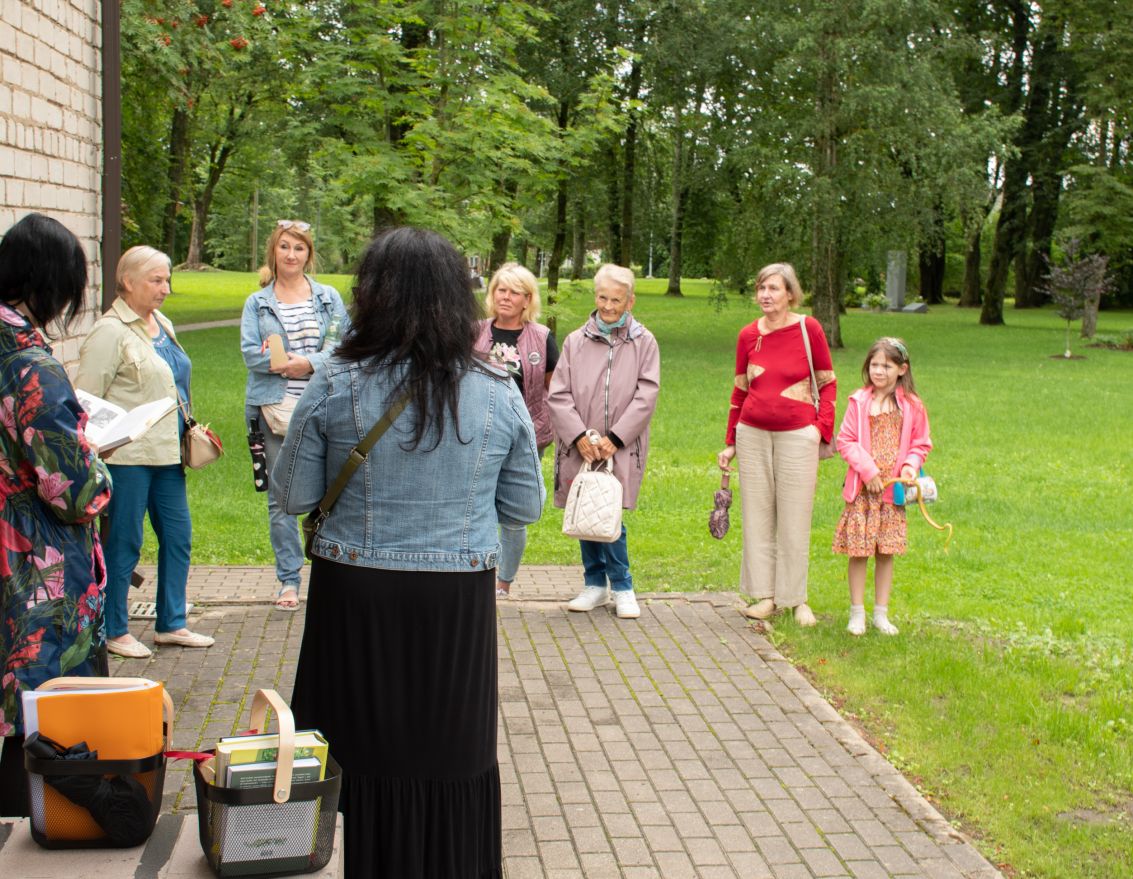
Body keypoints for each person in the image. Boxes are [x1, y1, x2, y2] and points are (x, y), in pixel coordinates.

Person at [274, 227, 544, 879]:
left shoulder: (337, 377)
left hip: (355, 592)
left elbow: (294, 493)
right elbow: (524, 505)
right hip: (454, 599)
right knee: (449, 753)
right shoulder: (496, 385)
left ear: (372, 293)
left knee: (354, 750)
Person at [0, 214, 114, 816]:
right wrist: (99, 464)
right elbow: (73, 490)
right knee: (43, 712)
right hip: (33, 564)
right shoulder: (30, 365)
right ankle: (39, 829)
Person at [75, 246, 214, 658]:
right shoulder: (110, 331)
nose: (165, 288)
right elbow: (85, 400)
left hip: (168, 453)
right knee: (125, 542)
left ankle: (171, 623)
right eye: (156, 280)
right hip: (129, 458)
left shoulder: (162, 323)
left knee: (178, 537)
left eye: (167, 279)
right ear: (128, 281)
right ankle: (114, 629)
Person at [717, 263, 835, 627]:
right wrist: (731, 442)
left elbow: (827, 382)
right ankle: (765, 596)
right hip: (752, 434)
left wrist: (820, 430)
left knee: (795, 518)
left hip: (798, 435)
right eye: (761, 288)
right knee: (757, 516)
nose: (765, 295)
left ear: (790, 294)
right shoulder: (748, 335)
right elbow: (740, 390)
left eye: (773, 288)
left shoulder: (808, 329)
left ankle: (796, 599)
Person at [240, 220, 348, 611]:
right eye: (284, 247)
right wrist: (283, 364)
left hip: (323, 405)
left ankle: (330, 571)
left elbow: (345, 346)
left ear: (308, 254)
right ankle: (288, 579)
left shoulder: (329, 298)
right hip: (274, 410)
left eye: (299, 248)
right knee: (280, 498)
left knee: (331, 494)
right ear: (274, 251)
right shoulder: (258, 303)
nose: (291, 254)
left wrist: (308, 363)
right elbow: (250, 353)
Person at [548, 264, 660, 620]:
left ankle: (623, 587)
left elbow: (646, 395)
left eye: (617, 300)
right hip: (581, 445)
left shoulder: (643, 342)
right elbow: (559, 394)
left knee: (609, 514)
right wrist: (579, 435)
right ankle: (594, 584)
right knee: (586, 509)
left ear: (630, 301)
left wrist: (616, 438)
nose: (609, 306)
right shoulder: (575, 341)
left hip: (620, 446)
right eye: (603, 298)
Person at [833, 337, 931, 636]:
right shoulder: (859, 401)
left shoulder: (912, 406)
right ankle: (857, 613)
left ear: (902, 369)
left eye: (886, 366)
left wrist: (910, 466)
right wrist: (868, 471)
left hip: (892, 493)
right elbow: (845, 440)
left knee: (885, 552)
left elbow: (920, 443)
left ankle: (881, 614)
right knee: (859, 551)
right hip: (863, 492)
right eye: (874, 364)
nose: (878, 371)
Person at [476, 262, 557, 598]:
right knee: (479, 505)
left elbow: (553, 387)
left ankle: (504, 581)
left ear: (527, 299)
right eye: (501, 289)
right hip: (479, 432)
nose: (505, 297)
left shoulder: (543, 337)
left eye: (514, 292)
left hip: (527, 435)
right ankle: (479, 573)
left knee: (515, 510)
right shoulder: (474, 332)